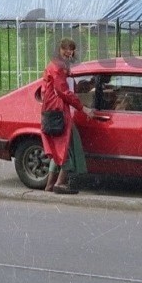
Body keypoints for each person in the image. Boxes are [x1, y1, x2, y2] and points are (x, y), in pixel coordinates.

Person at [40, 38, 94, 194]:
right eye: (65, 49)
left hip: (52, 111)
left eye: (71, 50)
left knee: (59, 148)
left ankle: (51, 184)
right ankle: (60, 183)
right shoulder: (58, 68)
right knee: (68, 147)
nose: (68, 53)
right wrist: (83, 108)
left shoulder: (56, 66)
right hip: (58, 112)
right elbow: (63, 91)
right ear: (59, 50)